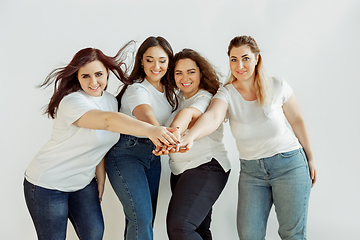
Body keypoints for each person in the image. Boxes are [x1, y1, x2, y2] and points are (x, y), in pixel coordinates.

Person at [23, 45, 178, 240]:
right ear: (77, 77)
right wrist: (153, 130)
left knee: (94, 234)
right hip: (48, 183)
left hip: (83, 183)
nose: (93, 81)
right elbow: (107, 122)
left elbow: (102, 146)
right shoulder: (72, 102)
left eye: (98, 74)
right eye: (85, 76)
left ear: (107, 74)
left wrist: (101, 178)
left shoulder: (111, 101)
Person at [179, 36, 317, 240]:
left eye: (245, 58)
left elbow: (297, 120)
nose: (239, 65)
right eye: (233, 59)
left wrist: (311, 158)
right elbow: (213, 117)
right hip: (252, 173)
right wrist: (190, 136)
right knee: (249, 235)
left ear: (257, 59)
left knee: (292, 234)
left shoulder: (277, 85)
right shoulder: (226, 93)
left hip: (290, 164)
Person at [105, 36, 177, 240]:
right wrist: (160, 134)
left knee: (142, 220)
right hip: (127, 153)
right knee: (141, 220)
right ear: (141, 62)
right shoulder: (137, 89)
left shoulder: (170, 91)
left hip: (153, 157)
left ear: (169, 62)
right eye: (150, 59)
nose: (156, 66)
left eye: (162, 60)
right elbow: (146, 115)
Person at [154, 48, 231, 240]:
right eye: (178, 72)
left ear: (201, 72)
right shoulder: (178, 98)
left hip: (206, 167)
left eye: (191, 71)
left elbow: (188, 115)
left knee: (180, 228)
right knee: (197, 231)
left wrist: (173, 136)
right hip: (181, 171)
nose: (184, 77)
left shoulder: (204, 97)